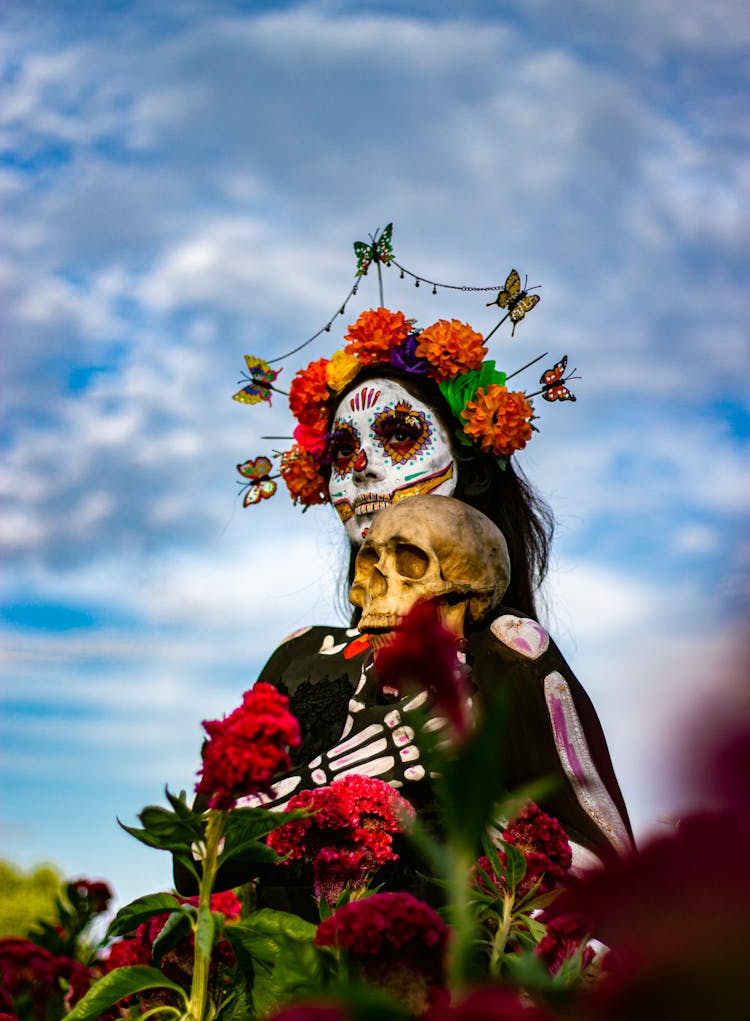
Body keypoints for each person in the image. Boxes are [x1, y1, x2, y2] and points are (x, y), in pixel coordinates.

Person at [176, 307, 634, 911]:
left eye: (397, 434)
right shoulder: (300, 656)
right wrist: (337, 783)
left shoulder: (509, 651)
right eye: (341, 450)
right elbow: (196, 861)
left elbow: (614, 882)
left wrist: (466, 824)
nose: (362, 466)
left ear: (466, 464)